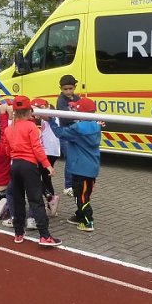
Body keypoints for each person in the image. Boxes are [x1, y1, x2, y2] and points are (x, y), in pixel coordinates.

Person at [3, 95, 61, 247]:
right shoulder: (31, 127)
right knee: (35, 200)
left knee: (18, 199)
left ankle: (18, 233)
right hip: (29, 166)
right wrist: (47, 165)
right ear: (30, 111)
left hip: (15, 166)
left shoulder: (9, 129)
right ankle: (44, 235)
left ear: (14, 112)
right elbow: (37, 148)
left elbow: (6, 149)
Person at [50, 96, 102, 232]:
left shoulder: (77, 128)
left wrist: (51, 120)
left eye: (75, 109)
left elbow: (59, 133)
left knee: (82, 196)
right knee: (84, 193)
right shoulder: (96, 125)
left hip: (80, 169)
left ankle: (87, 221)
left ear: (81, 113)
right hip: (91, 168)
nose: (72, 111)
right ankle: (80, 215)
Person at [31, 98, 60, 217]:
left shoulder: (51, 115)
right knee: (46, 178)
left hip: (48, 152)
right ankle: (52, 204)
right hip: (48, 151)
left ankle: (49, 198)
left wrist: (38, 111)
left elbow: (47, 116)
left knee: (35, 177)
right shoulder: (39, 119)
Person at [56, 74, 80, 196]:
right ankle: (68, 185)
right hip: (66, 133)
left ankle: (75, 183)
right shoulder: (61, 101)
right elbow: (65, 118)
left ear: (74, 87)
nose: (68, 91)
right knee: (70, 159)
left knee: (76, 158)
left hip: (76, 132)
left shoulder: (77, 98)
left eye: (70, 88)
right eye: (65, 89)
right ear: (61, 88)